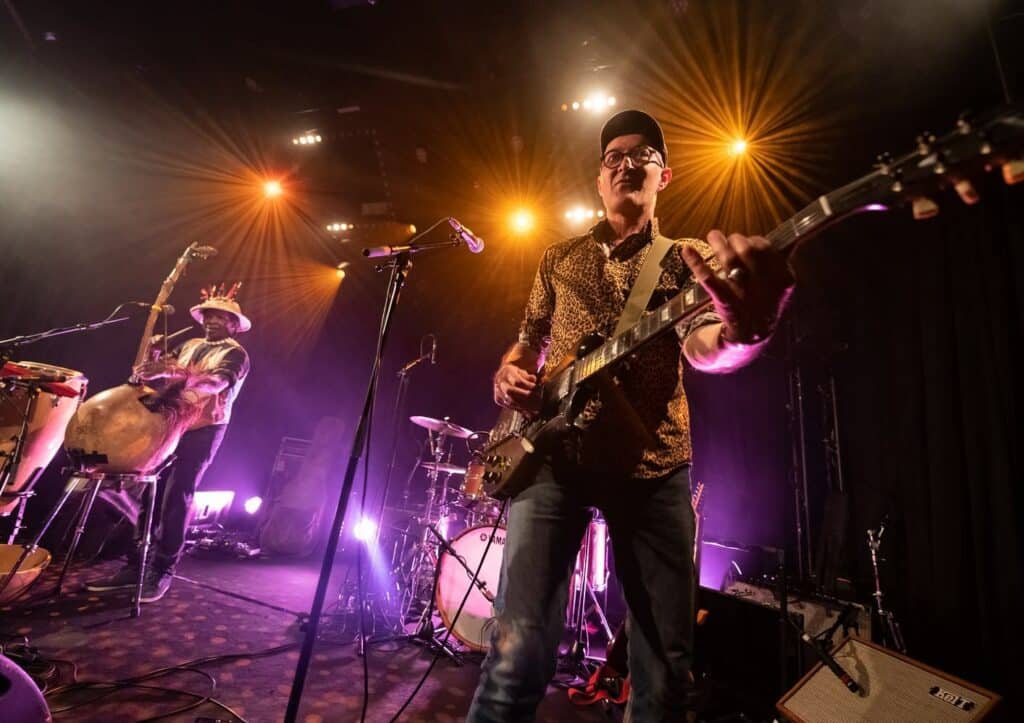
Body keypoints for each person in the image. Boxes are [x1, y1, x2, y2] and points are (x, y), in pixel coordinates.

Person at [467, 110, 794, 721]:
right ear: (599, 179)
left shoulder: (688, 259)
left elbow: (705, 345)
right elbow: (528, 338)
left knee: (664, 668)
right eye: (612, 156)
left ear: (663, 175)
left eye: (640, 154)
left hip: (653, 460)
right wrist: (509, 370)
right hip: (551, 460)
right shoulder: (558, 258)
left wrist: (745, 335)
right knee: (514, 655)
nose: (624, 163)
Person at [86, 287, 251, 603]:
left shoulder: (235, 354)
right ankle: (135, 566)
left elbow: (215, 383)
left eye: (221, 317)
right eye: (209, 315)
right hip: (170, 424)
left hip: (204, 429)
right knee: (149, 491)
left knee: (178, 495)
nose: (213, 321)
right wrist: (154, 364)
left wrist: (179, 375)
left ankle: (162, 571)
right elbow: (163, 373)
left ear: (233, 324)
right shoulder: (189, 345)